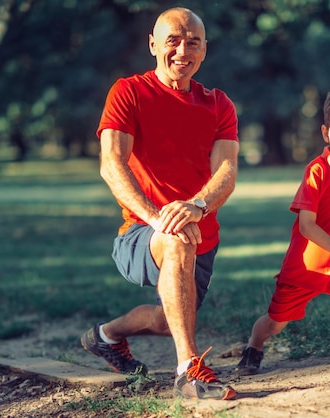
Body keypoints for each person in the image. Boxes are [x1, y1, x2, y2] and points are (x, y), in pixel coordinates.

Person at [80, 7, 239, 401]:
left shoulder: (219, 104)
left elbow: (227, 172)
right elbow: (111, 165)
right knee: (178, 237)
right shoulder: (129, 92)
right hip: (140, 231)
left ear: (204, 51)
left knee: (168, 319)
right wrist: (157, 219)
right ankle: (189, 370)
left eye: (193, 42)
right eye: (173, 40)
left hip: (201, 231)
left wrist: (199, 204)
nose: (183, 50)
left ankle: (106, 336)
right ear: (153, 45)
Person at [235, 86, 330, 383]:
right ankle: (254, 345)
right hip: (304, 268)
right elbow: (307, 226)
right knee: (274, 324)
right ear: (325, 132)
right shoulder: (316, 171)